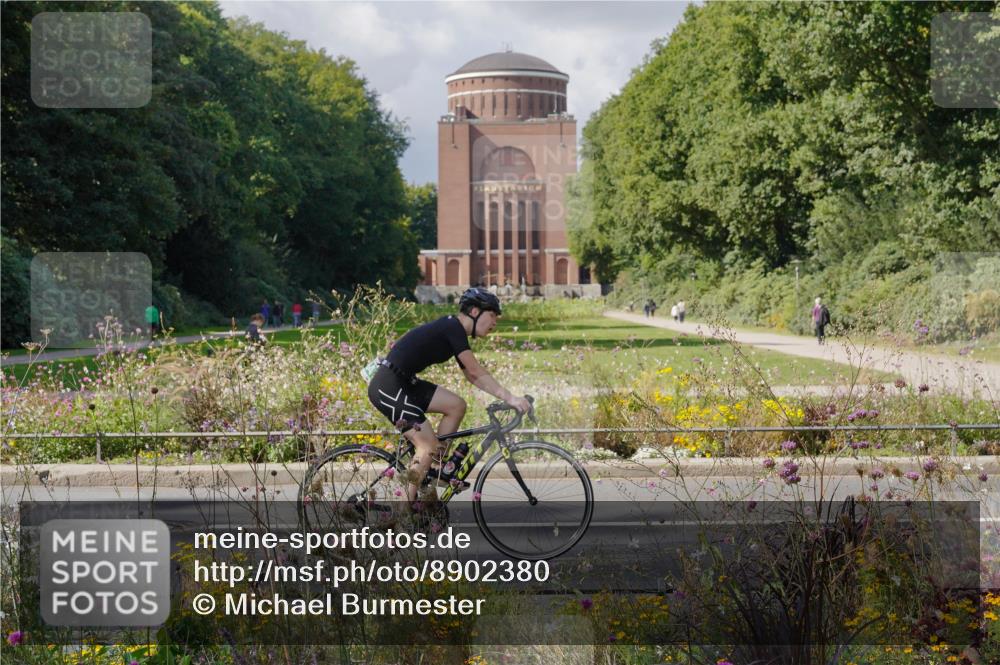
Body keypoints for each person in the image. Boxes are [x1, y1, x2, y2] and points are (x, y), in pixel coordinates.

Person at [366, 287, 530, 505]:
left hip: (404, 382)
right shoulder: (452, 327)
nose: (495, 322)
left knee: (456, 406)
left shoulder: (454, 330)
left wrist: (505, 396)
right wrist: (511, 398)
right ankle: (402, 515)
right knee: (426, 447)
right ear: (474, 311)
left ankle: (435, 469)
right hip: (388, 385)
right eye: (492, 315)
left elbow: (473, 377)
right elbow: (475, 371)